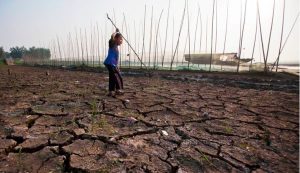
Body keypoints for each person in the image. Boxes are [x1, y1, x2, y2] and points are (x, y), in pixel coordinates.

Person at [103, 29, 124, 96]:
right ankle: (117, 90)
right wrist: (116, 32)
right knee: (115, 76)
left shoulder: (116, 48)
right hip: (109, 63)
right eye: (120, 39)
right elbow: (112, 36)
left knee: (116, 76)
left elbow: (116, 59)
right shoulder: (112, 44)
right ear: (116, 39)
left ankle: (112, 91)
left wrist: (117, 66)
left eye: (122, 39)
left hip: (113, 64)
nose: (121, 41)